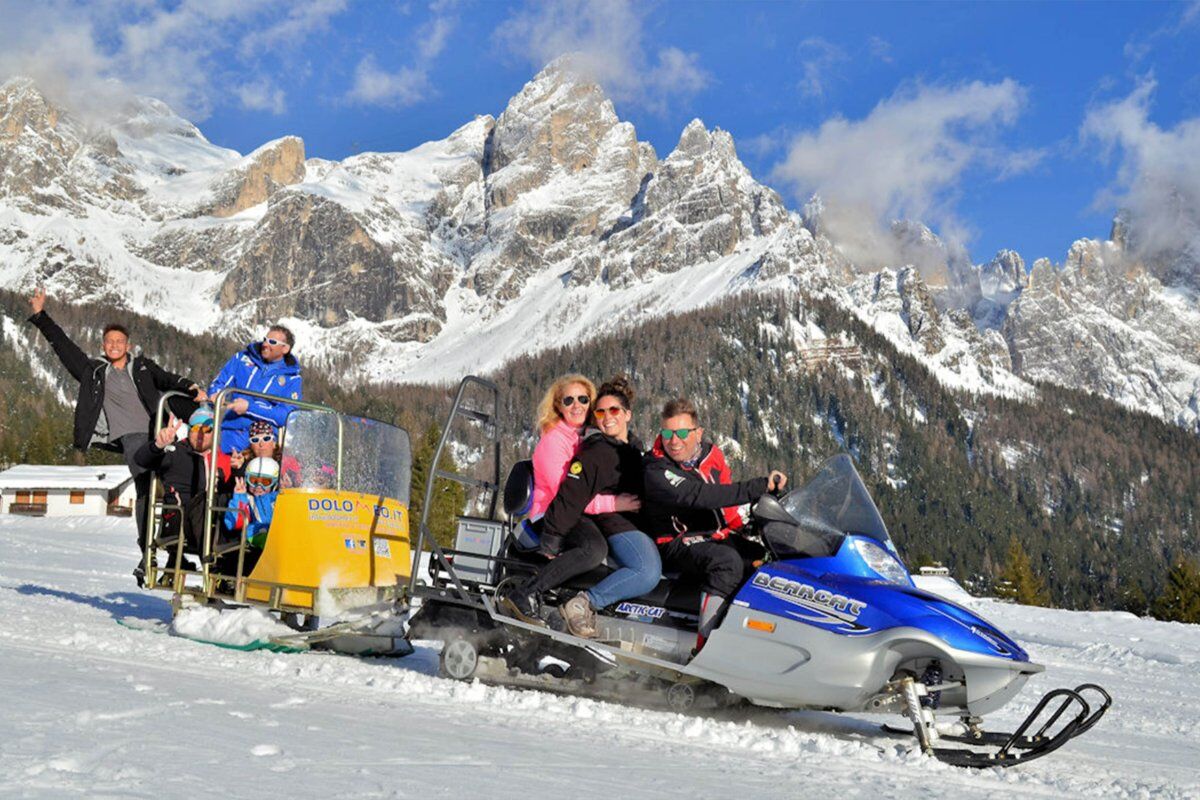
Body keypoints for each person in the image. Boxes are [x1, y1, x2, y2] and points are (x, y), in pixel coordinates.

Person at [27, 288, 206, 585]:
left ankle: (178, 553)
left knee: (178, 488)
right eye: (109, 341)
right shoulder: (95, 372)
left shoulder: (144, 366)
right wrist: (40, 316)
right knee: (147, 487)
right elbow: (65, 348)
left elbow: (168, 380)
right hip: (132, 439)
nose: (114, 345)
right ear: (103, 345)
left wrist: (192, 388)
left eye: (119, 341)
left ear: (128, 345)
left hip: (159, 435)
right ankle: (146, 555)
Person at [642, 398, 787, 652]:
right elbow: (697, 495)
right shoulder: (657, 469)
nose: (673, 441)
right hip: (675, 542)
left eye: (682, 433)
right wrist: (757, 487)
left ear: (698, 433)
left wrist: (743, 525)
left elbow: (724, 499)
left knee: (765, 557)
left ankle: (762, 640)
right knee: (727, 563)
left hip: (711, 534)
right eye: (667, 433)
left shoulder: (711, 456)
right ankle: (705, 650)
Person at [501, 374, 639, 624]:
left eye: (583, 399)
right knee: (593, 549)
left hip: (577, 513)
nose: (577, 405)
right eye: (568, 400)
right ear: (558, 406)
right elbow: (567, 497)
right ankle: (526, 593)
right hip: (552, 514)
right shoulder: (553, 442)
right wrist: (615, 503)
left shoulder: (588, 437)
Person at [546, 376, 661, 638]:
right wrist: (552, 539)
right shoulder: (596, 450)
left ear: (627, 414)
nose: (607, 417)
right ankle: (584, 603)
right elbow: (572, 495)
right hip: (616, 524)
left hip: (637, 522)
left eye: (614, 410)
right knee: (647, 571)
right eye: (600, 411)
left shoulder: (633, 448)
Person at [133, 405, 236, 570]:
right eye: (196, 428)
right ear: (189, 430)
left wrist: (239, 470)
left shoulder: (223, 458)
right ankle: (213, 566)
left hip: (215, 521)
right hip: (179, 519)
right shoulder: (176, 453)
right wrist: (158, 446)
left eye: (207, 429)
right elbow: (141, 460)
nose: (201, 434)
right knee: (205, 500)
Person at [207, 324, 302, 454]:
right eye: (265, 339)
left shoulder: (292, 379)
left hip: (262, 442)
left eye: (272, 342)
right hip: (230, 433)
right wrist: (215, 394)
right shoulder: (242, 359)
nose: (265, 344)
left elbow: (286, 415)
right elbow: (219, 382)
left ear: (285, 349)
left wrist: (249, 407)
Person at [225, 456, 280, 550]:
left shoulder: (278, 498)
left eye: (265, 482)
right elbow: (234, 523)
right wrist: (239, 497)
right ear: (247, 480)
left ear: (274, 483)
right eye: (254, 481)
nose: (259, 486)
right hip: (257, 535)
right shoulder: (247, 499)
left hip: (279, 536)